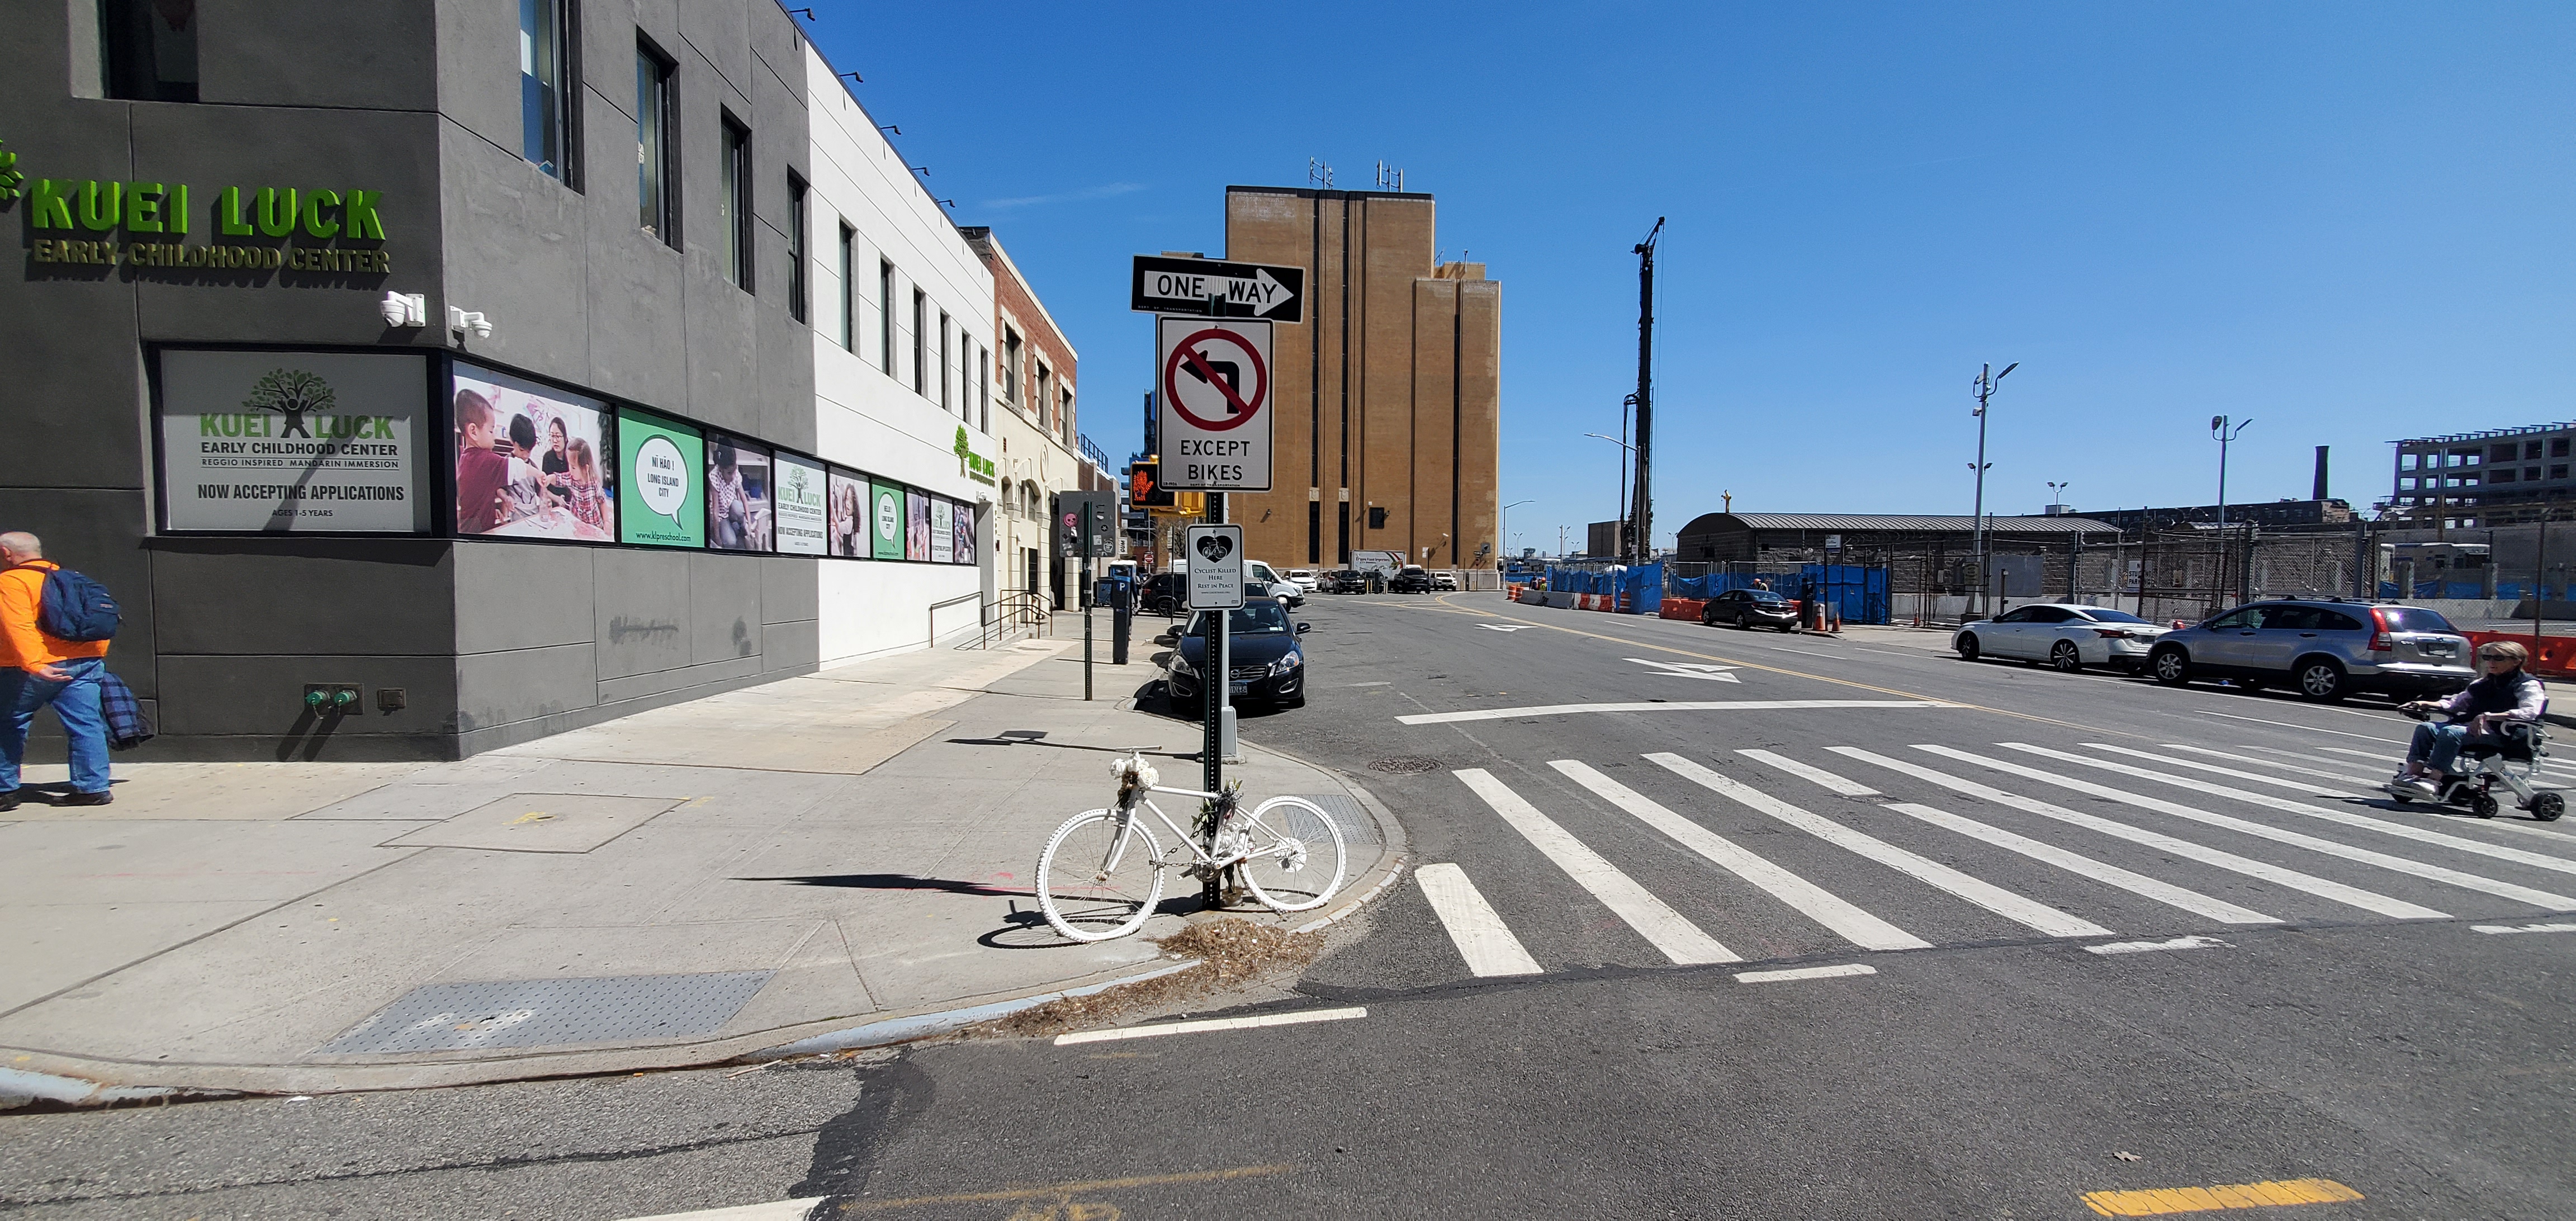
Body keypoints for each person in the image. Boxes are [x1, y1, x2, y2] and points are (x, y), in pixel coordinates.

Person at [0, 532, 112, 810]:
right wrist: (93, 656)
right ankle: (93, 788)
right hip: (85, 662)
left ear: (6, 553)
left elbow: (19, 627)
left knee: (8, 724)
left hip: (31, 668)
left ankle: (5, 790)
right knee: (86, 724)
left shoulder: (11, 582)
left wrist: (35, 664)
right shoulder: (69, 577)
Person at [2392, 640, 2546, 799]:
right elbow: (2455, 704)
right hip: (2472, 730)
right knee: (2426, 728)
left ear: (2516, 661)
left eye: (2498, 658)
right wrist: (2424, 703)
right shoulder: (2482, 683)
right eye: (2488, 657)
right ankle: (2413, 775)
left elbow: (2530, 712)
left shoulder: (2528, 685)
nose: (2491, 662)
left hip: (2503, 735)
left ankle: (2434, 781)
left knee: (2451, 732)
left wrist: (2489, 716)